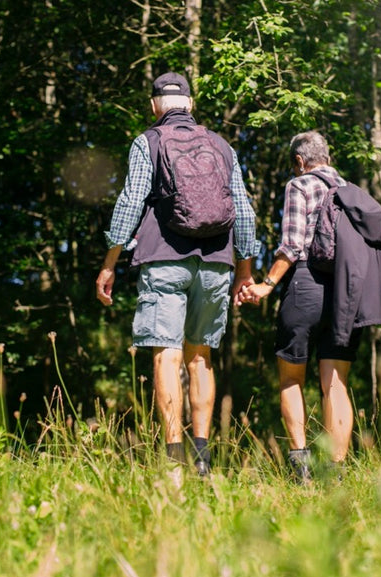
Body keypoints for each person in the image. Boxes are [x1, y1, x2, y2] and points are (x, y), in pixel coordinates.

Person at [96, 72, 259, 477]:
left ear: (155, 106)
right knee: (200, 355)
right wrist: (245, 270)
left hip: (164, 258)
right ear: (190, 104)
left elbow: (131, 201)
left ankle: (173, 462)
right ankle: (202, 460)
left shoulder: (147, 141)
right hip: (217, 262)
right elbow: (244, 209)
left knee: (166, 356)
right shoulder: (222, 145)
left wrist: (109, 262)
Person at [236, 130, 381, 482]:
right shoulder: (353, 193)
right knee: (336, 383)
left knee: (291, 377)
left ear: (300, 161)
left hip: (306, 286)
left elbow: (293, 245)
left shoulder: (301, 185)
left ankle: (301, 469)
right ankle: (336, 472)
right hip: (348, 295)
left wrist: (266, 285)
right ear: (327, 156)